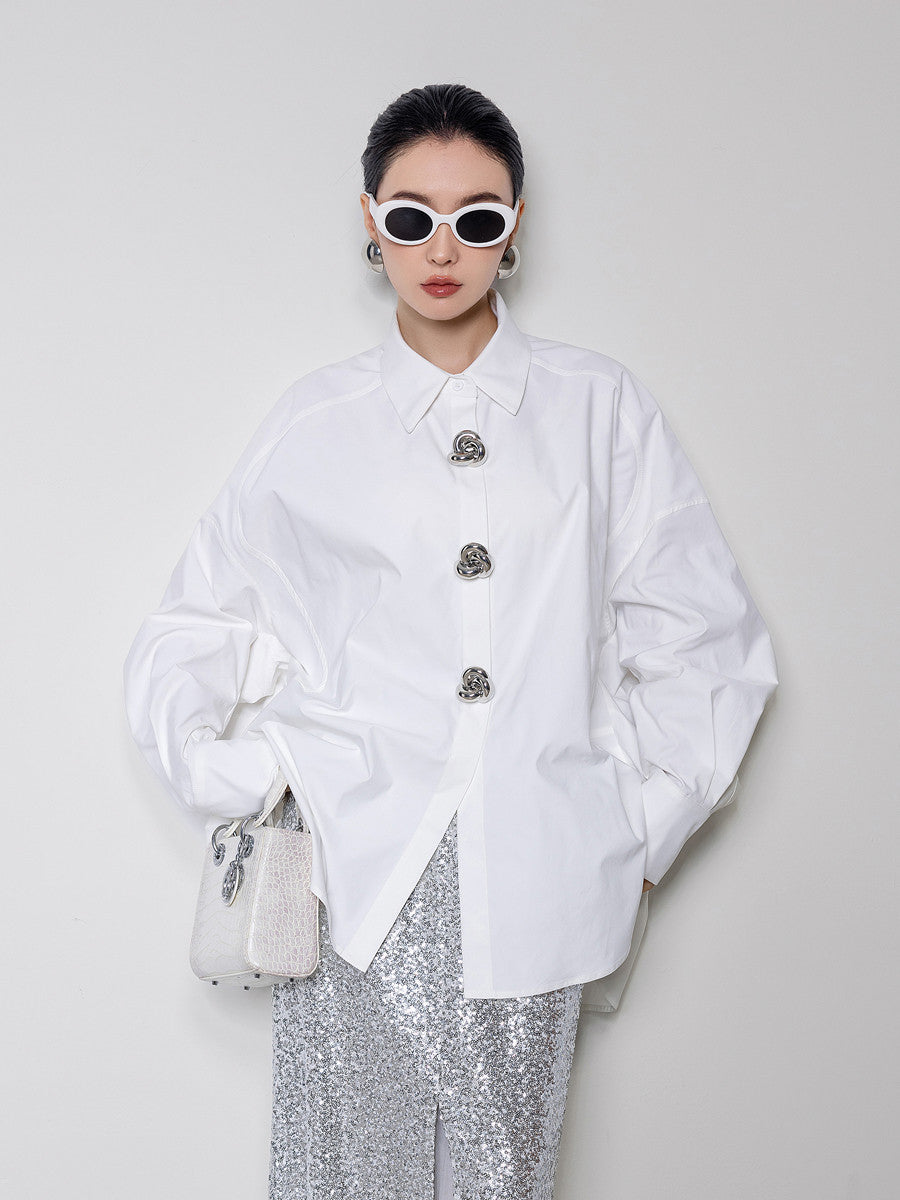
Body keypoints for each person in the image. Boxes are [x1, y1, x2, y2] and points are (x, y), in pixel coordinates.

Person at [123, 82, 779, 1200]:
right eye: (411, 215)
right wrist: (246, 776)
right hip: (352, 879)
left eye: (476, 218)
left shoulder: (598, 408)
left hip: (544, 871)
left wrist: (638, 833)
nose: (442, 249)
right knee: (341, 1177)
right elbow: (199, 623)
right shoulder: (315, 423)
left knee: (500, 1178)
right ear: (369, 221)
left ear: (514, 226)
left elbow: (708, 640)